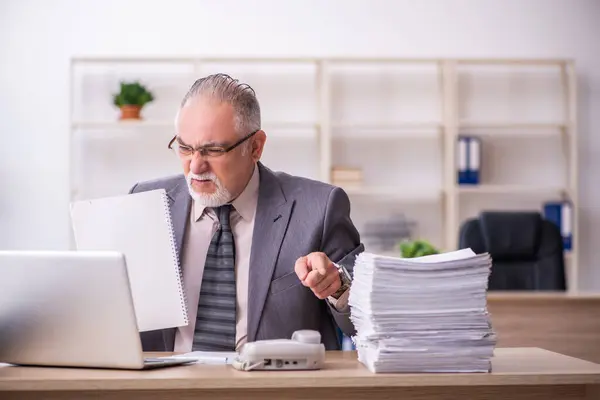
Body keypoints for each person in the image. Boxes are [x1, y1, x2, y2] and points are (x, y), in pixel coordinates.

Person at [129, 73, 364, 352]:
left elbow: (365, 322)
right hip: (166, 389)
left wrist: (337, 286)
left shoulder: (319, 208)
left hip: (270, 390)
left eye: (213, 150)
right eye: (184, 148)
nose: (195, 167)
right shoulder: (145, 203)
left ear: (255, 147)